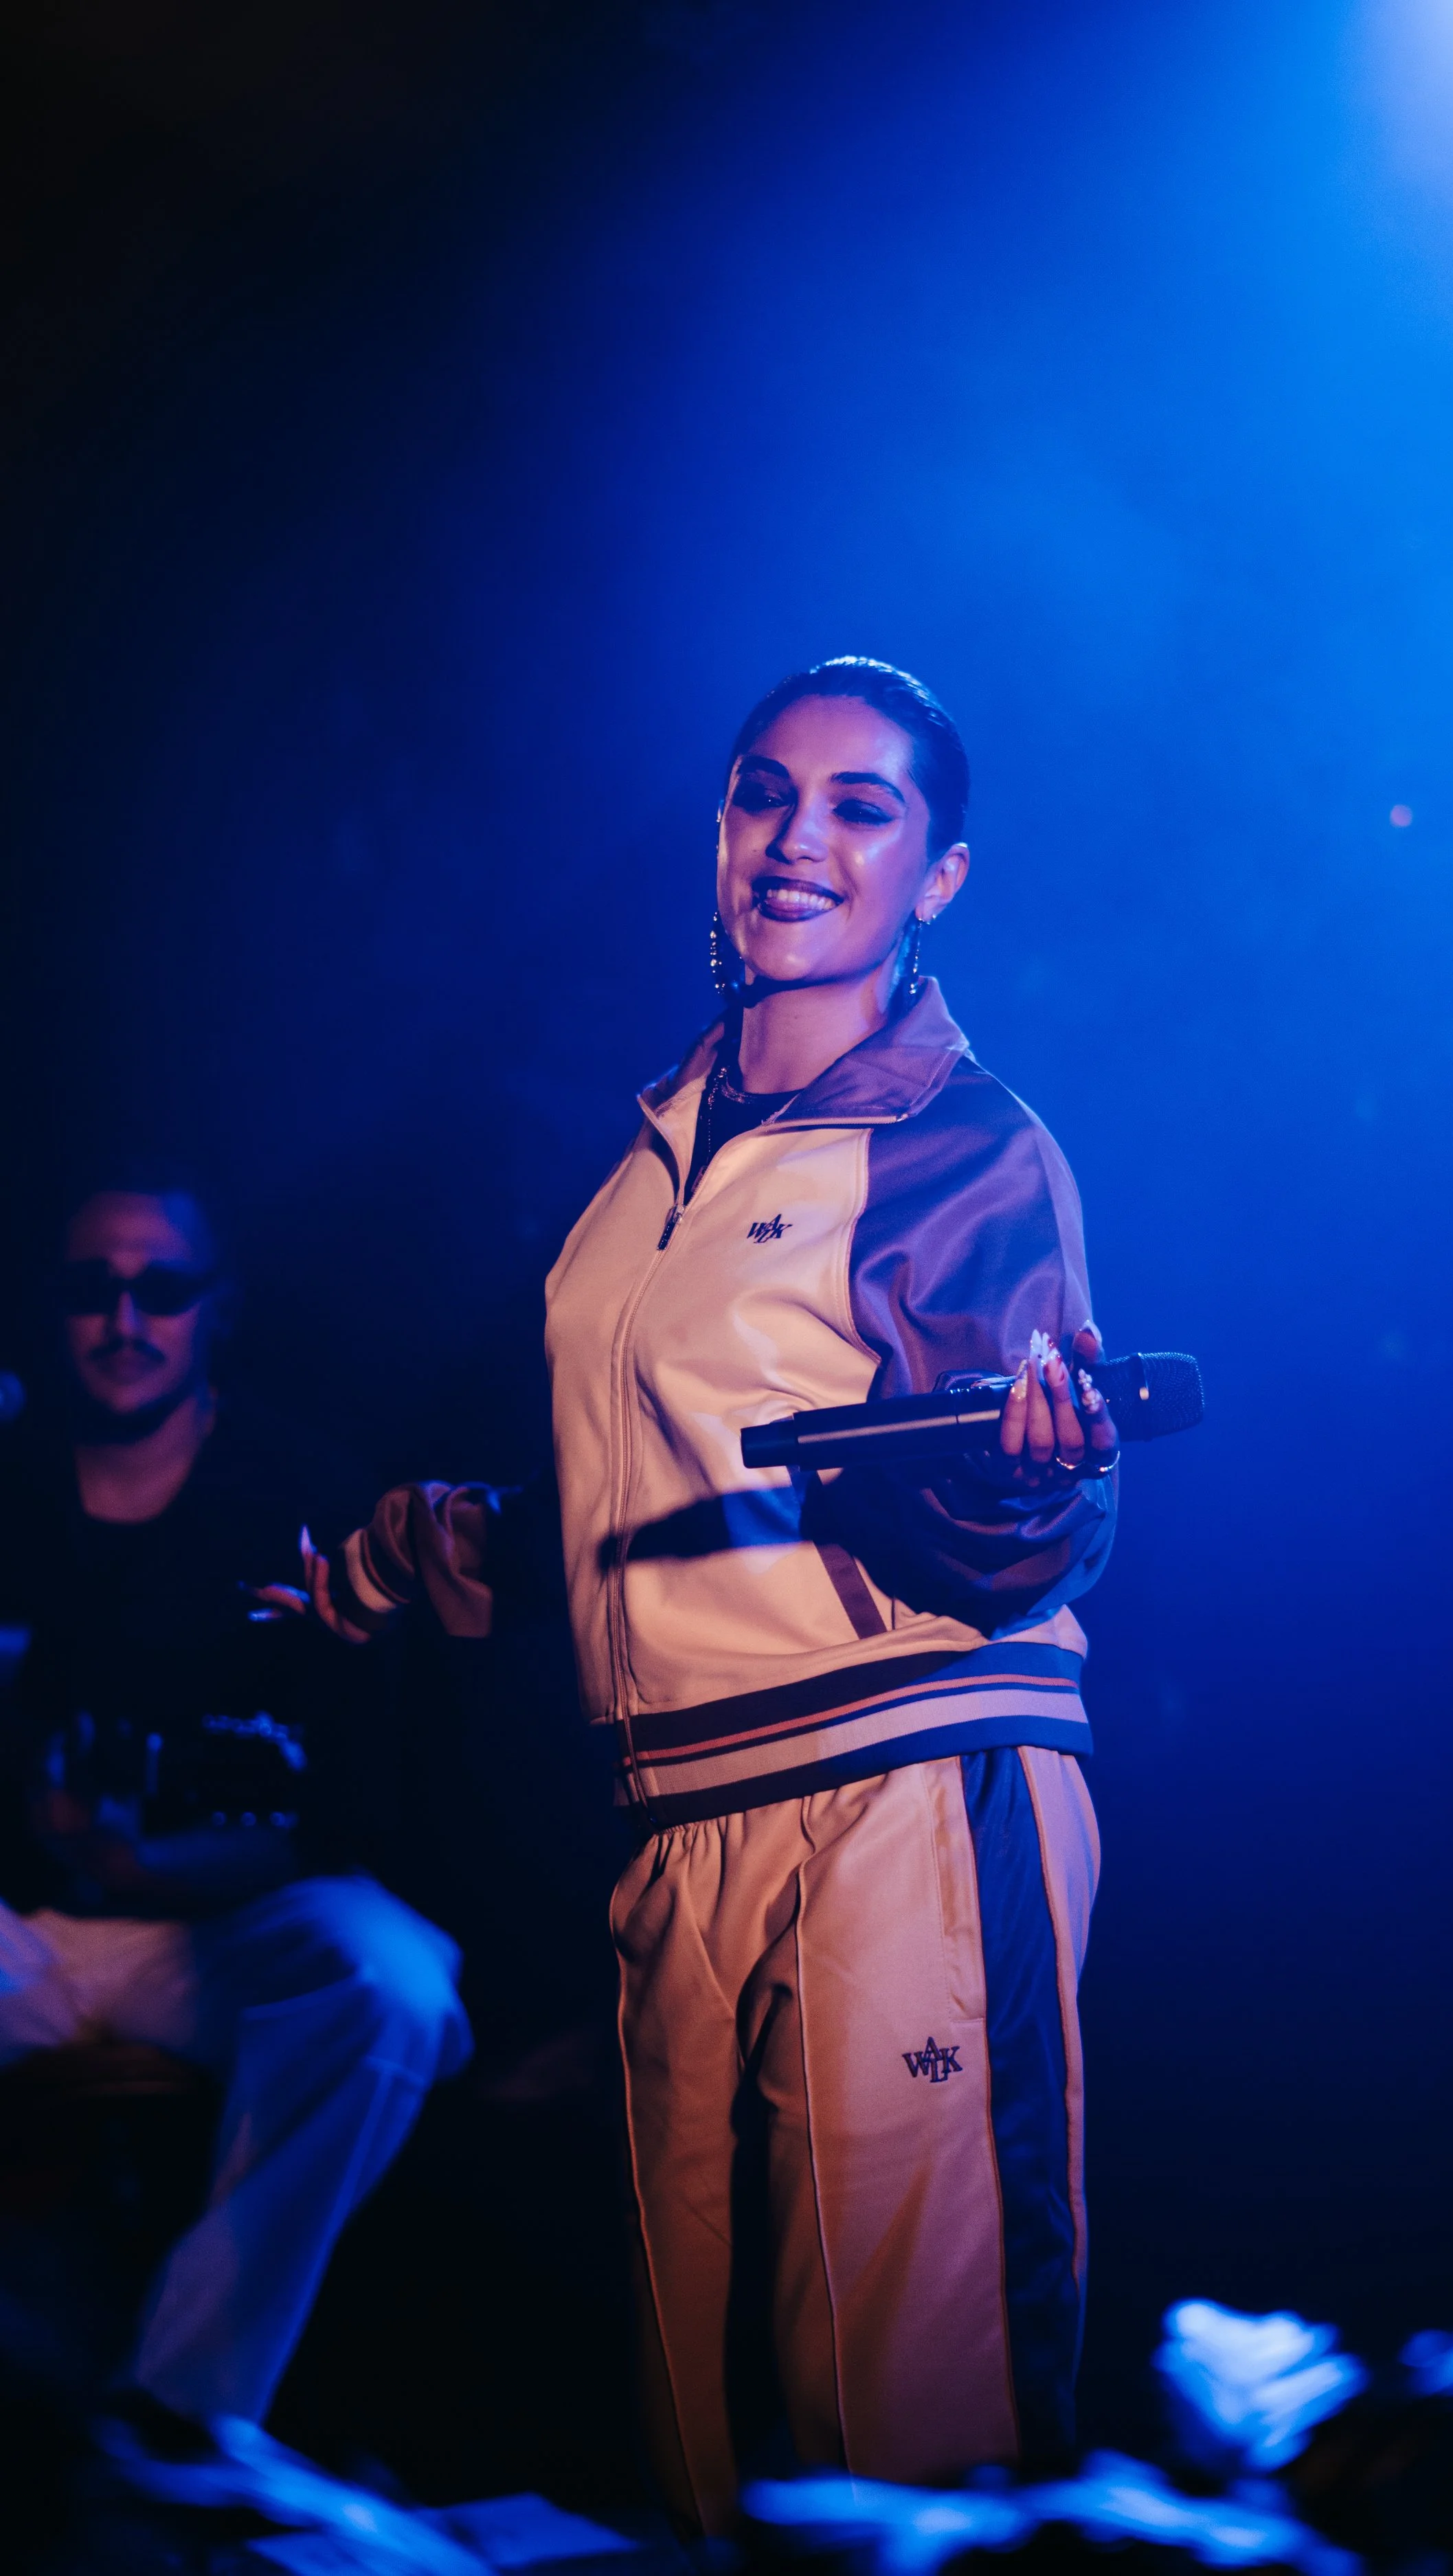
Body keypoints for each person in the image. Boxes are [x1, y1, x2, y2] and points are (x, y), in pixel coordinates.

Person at [317, 658, 1120, 2529]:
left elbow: (1019, 1536)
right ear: (718, 828)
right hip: (675, 1826)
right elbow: (684, 1485)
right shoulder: (647, 1152)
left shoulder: (960, 1144)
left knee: (909, 2451)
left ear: (939, 874)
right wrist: (455, 1543)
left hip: (899, 1793)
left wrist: (1031, 1464)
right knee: (700, 2457)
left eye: (862, 807)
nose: (798, 837)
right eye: (767, 792)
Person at [0, 1179, 471, 2441]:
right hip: (25, 1930)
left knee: (396, 1983)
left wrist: (165, 1855)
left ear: (216, 1310)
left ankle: (179, 2416)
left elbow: (357, 1799)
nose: (123, 1318)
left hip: (223, 1931)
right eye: (90, 1287)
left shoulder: (301, 1495)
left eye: (159, 1287)